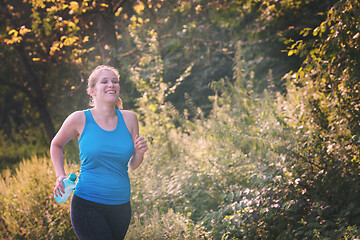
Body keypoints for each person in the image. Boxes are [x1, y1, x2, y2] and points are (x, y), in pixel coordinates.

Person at [50, 65, 148, 240]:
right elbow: (56, 145)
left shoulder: (130, 118)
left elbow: (133, 165)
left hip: (121, 207)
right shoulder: (79, 119)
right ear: (92, 91)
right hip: (87, 204)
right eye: (105, 81)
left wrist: (139, 153)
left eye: (115, 81)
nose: (111, 84)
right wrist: (60, 175)